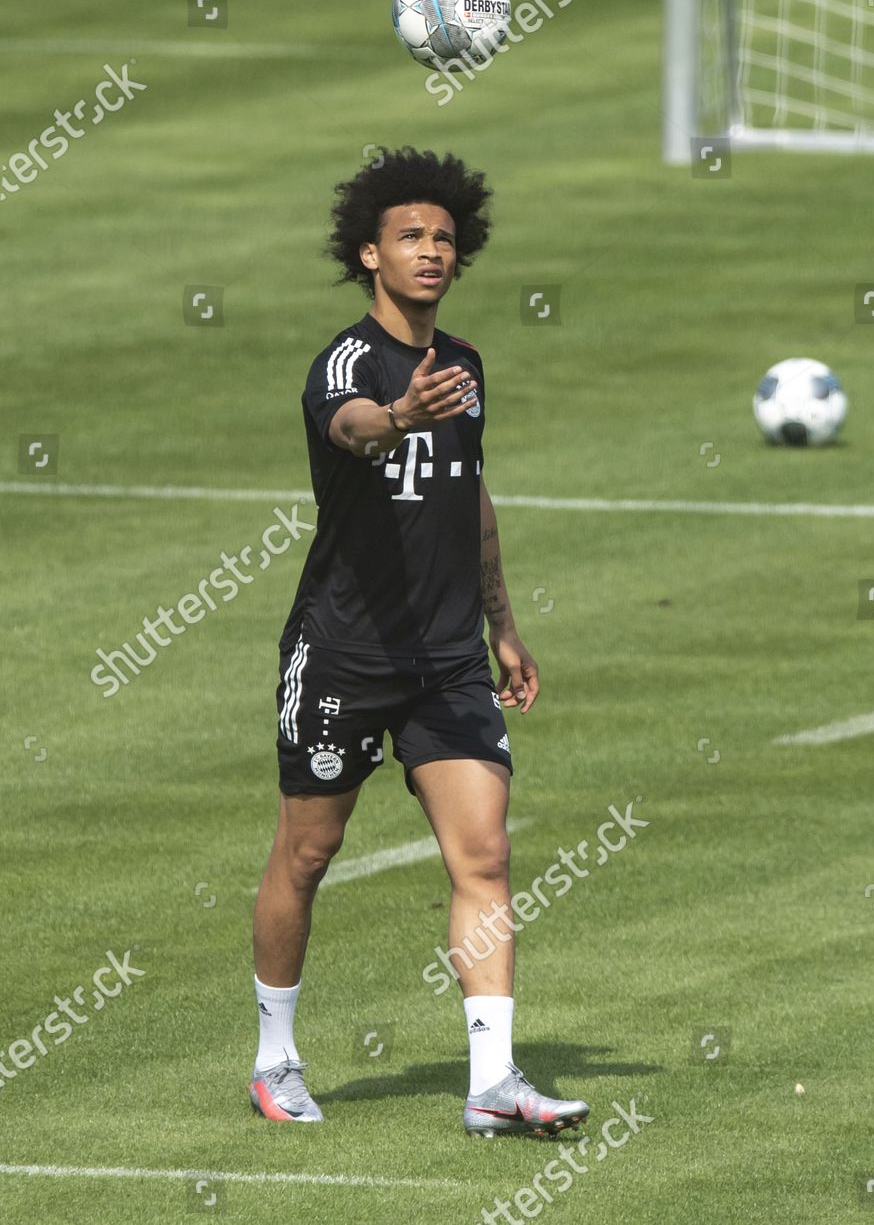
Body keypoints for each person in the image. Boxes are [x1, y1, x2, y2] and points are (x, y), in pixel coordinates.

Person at [248, 147, 589, 1139]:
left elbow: (468, 492)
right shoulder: (348, 364)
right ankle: (275, 1059)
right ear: (369, 254)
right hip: (345, 654)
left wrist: (504, 625)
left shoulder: (469, 366)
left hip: (446, 658)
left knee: (482, 856)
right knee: (306, 855)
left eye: (444, 238)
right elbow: (356, 429)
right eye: (410, 237)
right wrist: (399, 416)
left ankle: (492, 1083)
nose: (431, 252)